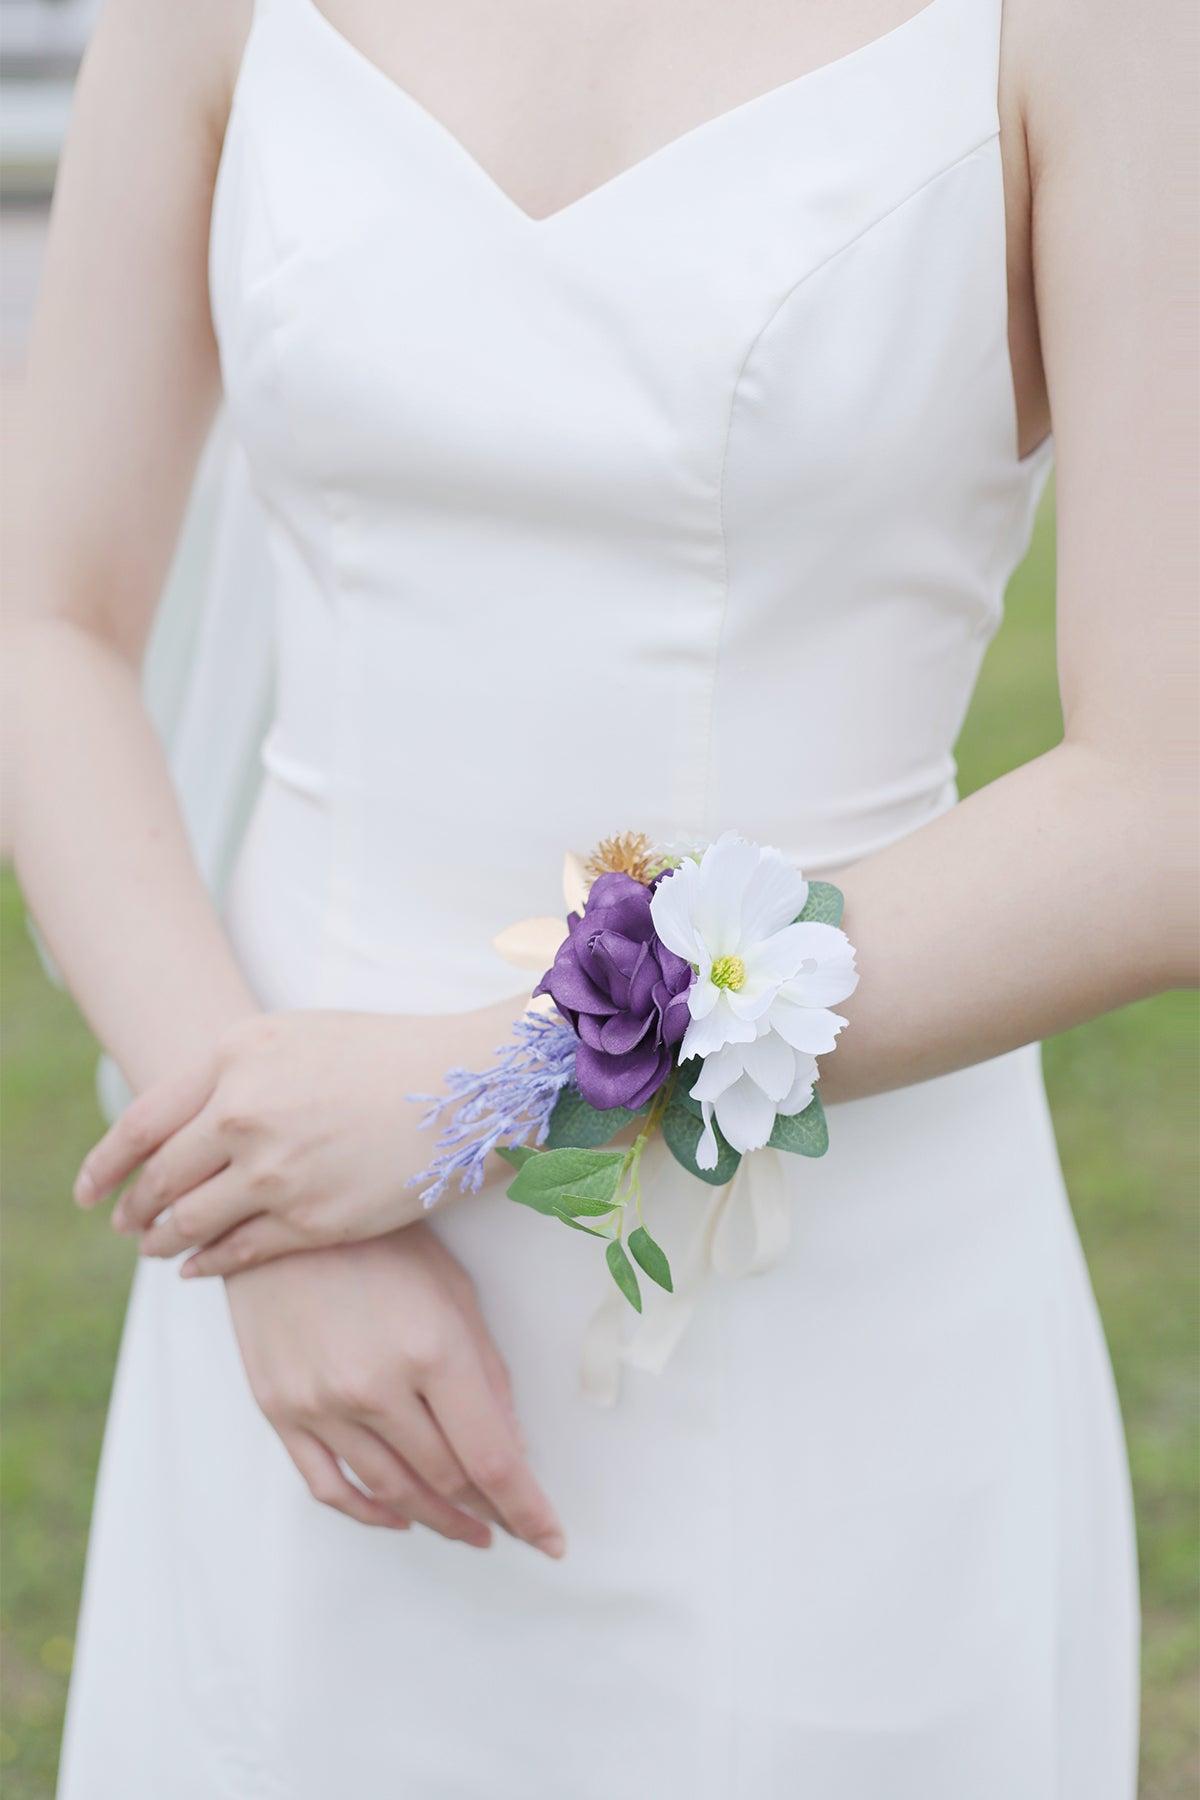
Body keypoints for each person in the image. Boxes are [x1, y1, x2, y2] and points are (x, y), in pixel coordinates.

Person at [4, 0, 1194, 1794]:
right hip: (299, 1304)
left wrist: (477, 1093)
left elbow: (1166, 802)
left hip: (829, 1333)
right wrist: (266, 1200)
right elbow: (45, 621)